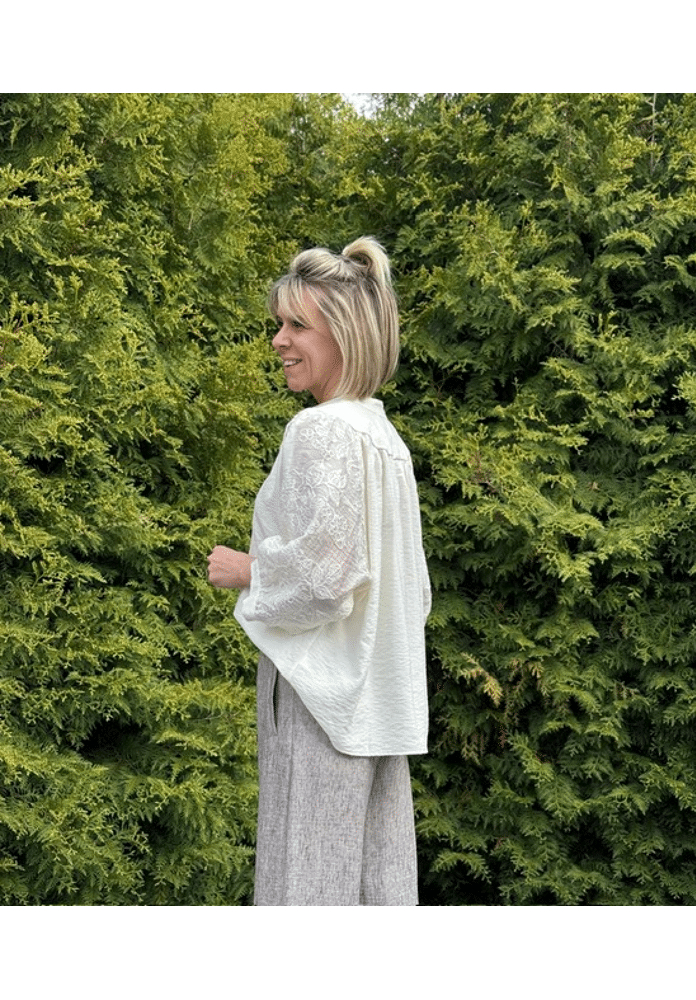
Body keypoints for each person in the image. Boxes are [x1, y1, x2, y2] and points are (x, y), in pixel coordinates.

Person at [206, 237, 431, 906]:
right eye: (280, 323)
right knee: (374, 888)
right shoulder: (385, 441)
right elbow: (413, 591)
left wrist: (249, 570)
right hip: (379, 700)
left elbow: (327, 577)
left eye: (297, 325)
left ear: (345, 334)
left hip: (321, 697)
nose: (279, 340)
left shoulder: (320, 431)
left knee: (305, 885)